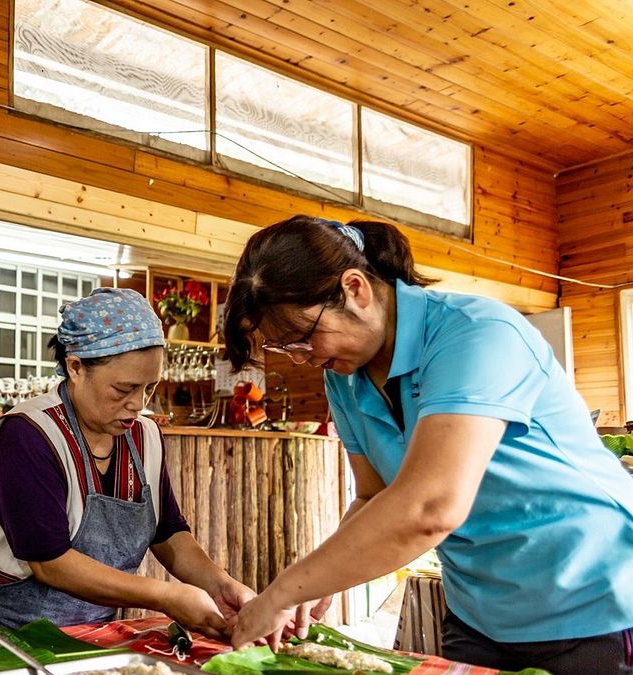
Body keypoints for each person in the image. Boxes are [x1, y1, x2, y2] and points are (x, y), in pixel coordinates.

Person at [221, 215, 633, 674]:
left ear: (356, 289)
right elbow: (375, 496)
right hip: (480, 611)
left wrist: (283, 592)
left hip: (593, 600)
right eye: (287, 349)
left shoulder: (477, 332)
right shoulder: (345, 375)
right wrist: (320, 581)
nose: (306, 356)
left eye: (303, 337)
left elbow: (431, 506)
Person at [0, 287, 255, 639]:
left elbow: (168, 532)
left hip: (95, 635)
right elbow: (50, 563)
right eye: (122, 389)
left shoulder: (146, 437)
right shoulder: (27, 435)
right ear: (76, 367)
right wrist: (165, 596)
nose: (137, 404)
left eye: (148, 388)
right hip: (6, 637)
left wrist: (221, 586)